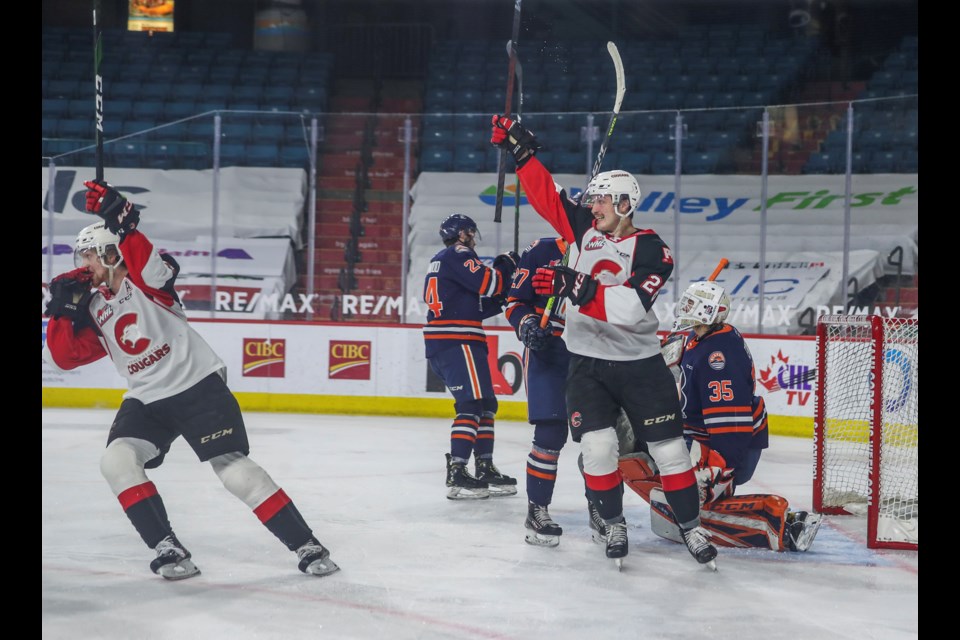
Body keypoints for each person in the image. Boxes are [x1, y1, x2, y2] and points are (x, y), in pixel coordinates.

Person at [41, 180, 339, 580]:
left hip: (196, 384)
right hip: (147, 398)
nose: (85, 264)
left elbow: (144, 258)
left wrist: (120, 219)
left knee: (230, 466)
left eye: (91, 254)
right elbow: (63, 356)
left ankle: (306, 544)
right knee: (116, 460)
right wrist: (60, 310)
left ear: (112, 253)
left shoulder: (148, 282)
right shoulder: (95, 307)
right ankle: (167, 546)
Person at [490, 115, 717, 569]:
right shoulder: (582, 230)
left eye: (600, 200)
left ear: (625, 203)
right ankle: (612, 522)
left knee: (671, 452)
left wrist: (575, 286)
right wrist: (521, 153)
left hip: (640, 364)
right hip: (587, 365)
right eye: (591, 200)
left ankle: (691, 528)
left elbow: (630, 308)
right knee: (597, 450)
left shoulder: (654, 249)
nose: (591, 207)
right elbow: (547, 197)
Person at [619, 280, 822, 552]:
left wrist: (715, 470)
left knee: (682, 511)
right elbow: (685, 350)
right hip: (704, 438)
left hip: (721, 445)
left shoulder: (719, 360)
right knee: (673, 500)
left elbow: (730, 426)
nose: (685, 308)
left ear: (709, 312)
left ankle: (784, 525)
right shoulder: (704, 336)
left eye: (693, 304)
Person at [423, 213, 521, 500]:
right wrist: (506, 264)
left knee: (486, 403)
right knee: (471, 405)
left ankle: (485, 466)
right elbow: (490, 283)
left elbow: (476, 305)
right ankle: (457, 471)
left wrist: (503, 298)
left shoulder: (443, 259)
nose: (474, 239)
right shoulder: (459, 253)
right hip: (458, 342)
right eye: (471, 233)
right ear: (462, 233)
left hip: (453, 340)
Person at [504, 236, 571, 546]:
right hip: (551, 348)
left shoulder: (610, 248)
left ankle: (604, 511)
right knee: (550, 433)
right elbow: (516, 302)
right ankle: (537, 509)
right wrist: (527, 323)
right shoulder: (542, 250)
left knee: (601, 435)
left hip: (597, 350)